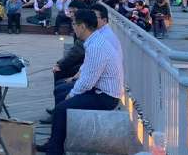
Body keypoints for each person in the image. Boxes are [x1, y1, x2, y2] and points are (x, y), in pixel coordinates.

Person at [36, 9, 123, 155]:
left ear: (83, 26)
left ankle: (55, 150)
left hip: (106, 96)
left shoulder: (96, 46)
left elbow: (88, 82)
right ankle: (55, 140)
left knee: (61, 108)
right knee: (59, 89)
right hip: (97, 89)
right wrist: (73, 80)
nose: (73, 27)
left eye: (74, 24)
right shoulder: (94, 40)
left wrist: (73, 93)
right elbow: (87, 69)